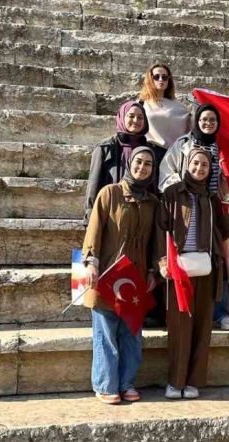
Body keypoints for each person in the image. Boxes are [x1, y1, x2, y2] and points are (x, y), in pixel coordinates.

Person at [81, 146, 161, 405]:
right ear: (129, 163)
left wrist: (153, 271)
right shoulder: (109, 193)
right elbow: (94, 230)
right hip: (105, 274)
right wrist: (90, 262)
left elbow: (155, 243)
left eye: (148, 164)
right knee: (106, 333)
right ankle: (105, 384)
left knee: (132, 334)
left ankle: (126, 382)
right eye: (138, 162)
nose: (142, 167)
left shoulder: (152, 203)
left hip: (134, 279)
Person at [158, 148, 229, 400]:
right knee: (180, 327)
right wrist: (162, 261)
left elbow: (224, 231)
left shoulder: (212, 198)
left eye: (205, 165)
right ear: (187, 164)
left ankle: (193, 381)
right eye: (196, 163)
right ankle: (176, 381)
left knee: (202, 326)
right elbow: (161, 230)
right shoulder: (172, 193)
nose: (200, 168)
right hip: (179, 269)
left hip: (205, 268)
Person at [159, 103, 229, 331]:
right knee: (187, 261)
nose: (208, 124)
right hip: (188, 209)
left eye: (212, 120)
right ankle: (185, 309)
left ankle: (221, 313)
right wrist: (182, 192)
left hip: (216, 210)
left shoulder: (223, 146)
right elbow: (167, 171)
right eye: (204, 119)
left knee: (219, 263)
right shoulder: (183, 144)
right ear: (197, 121)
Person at [85, 100, 165, 218]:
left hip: (142, 213)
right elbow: (93, 184)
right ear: (122, 117)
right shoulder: (105, 148)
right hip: (112, 211)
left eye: (140, 117)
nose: (136, 121)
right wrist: (90, 215)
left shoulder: (151, 150)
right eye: (131, 116)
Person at [140, 63, 191, 151]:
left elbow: (188, 128)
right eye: (156, 77)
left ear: (168, 80)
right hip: (148, 151)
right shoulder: (141, 103)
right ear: (150, 79)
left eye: (164, 77)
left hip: (172, 153)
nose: (161, 80)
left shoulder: (180, 107)